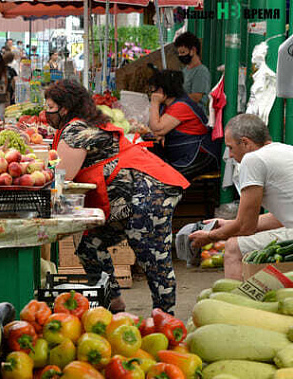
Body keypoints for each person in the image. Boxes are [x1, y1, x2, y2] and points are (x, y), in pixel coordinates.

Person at [47, 79, 189, 314]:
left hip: (150, 191)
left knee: (151, 254)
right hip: (129, 197)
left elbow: (62, 176)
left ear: (64, 107)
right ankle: (113, 303)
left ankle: (165, 317)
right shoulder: (84, 122)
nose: (47, 112)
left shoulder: (76, 130)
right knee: (89, 246)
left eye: (50, 106)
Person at [189, 114, 293, 280]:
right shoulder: (285, 149)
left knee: (233, 247)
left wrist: (210, 236)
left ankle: (237, 304)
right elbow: (279, 218)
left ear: (245, 142)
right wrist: (231, 224)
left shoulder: (252, 159)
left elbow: (246, 227)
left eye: (230, 148)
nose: (229, 155)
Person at [148, 69, 219, 180]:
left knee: (166, 178)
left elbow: (157, 129)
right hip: (184, 153)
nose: (151, 92)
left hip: (199, 155)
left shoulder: (181, 105)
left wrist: (154, 102)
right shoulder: (169, 104)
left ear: (162, 89)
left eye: (153, 89)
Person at [174, 32, 211, 114]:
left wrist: (175, 98)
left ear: (193, 50)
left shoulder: (201, 71)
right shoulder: (185, 70)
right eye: (179, 53)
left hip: (195, 115)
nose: (180, 56)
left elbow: (196, 97)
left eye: (183, 52)